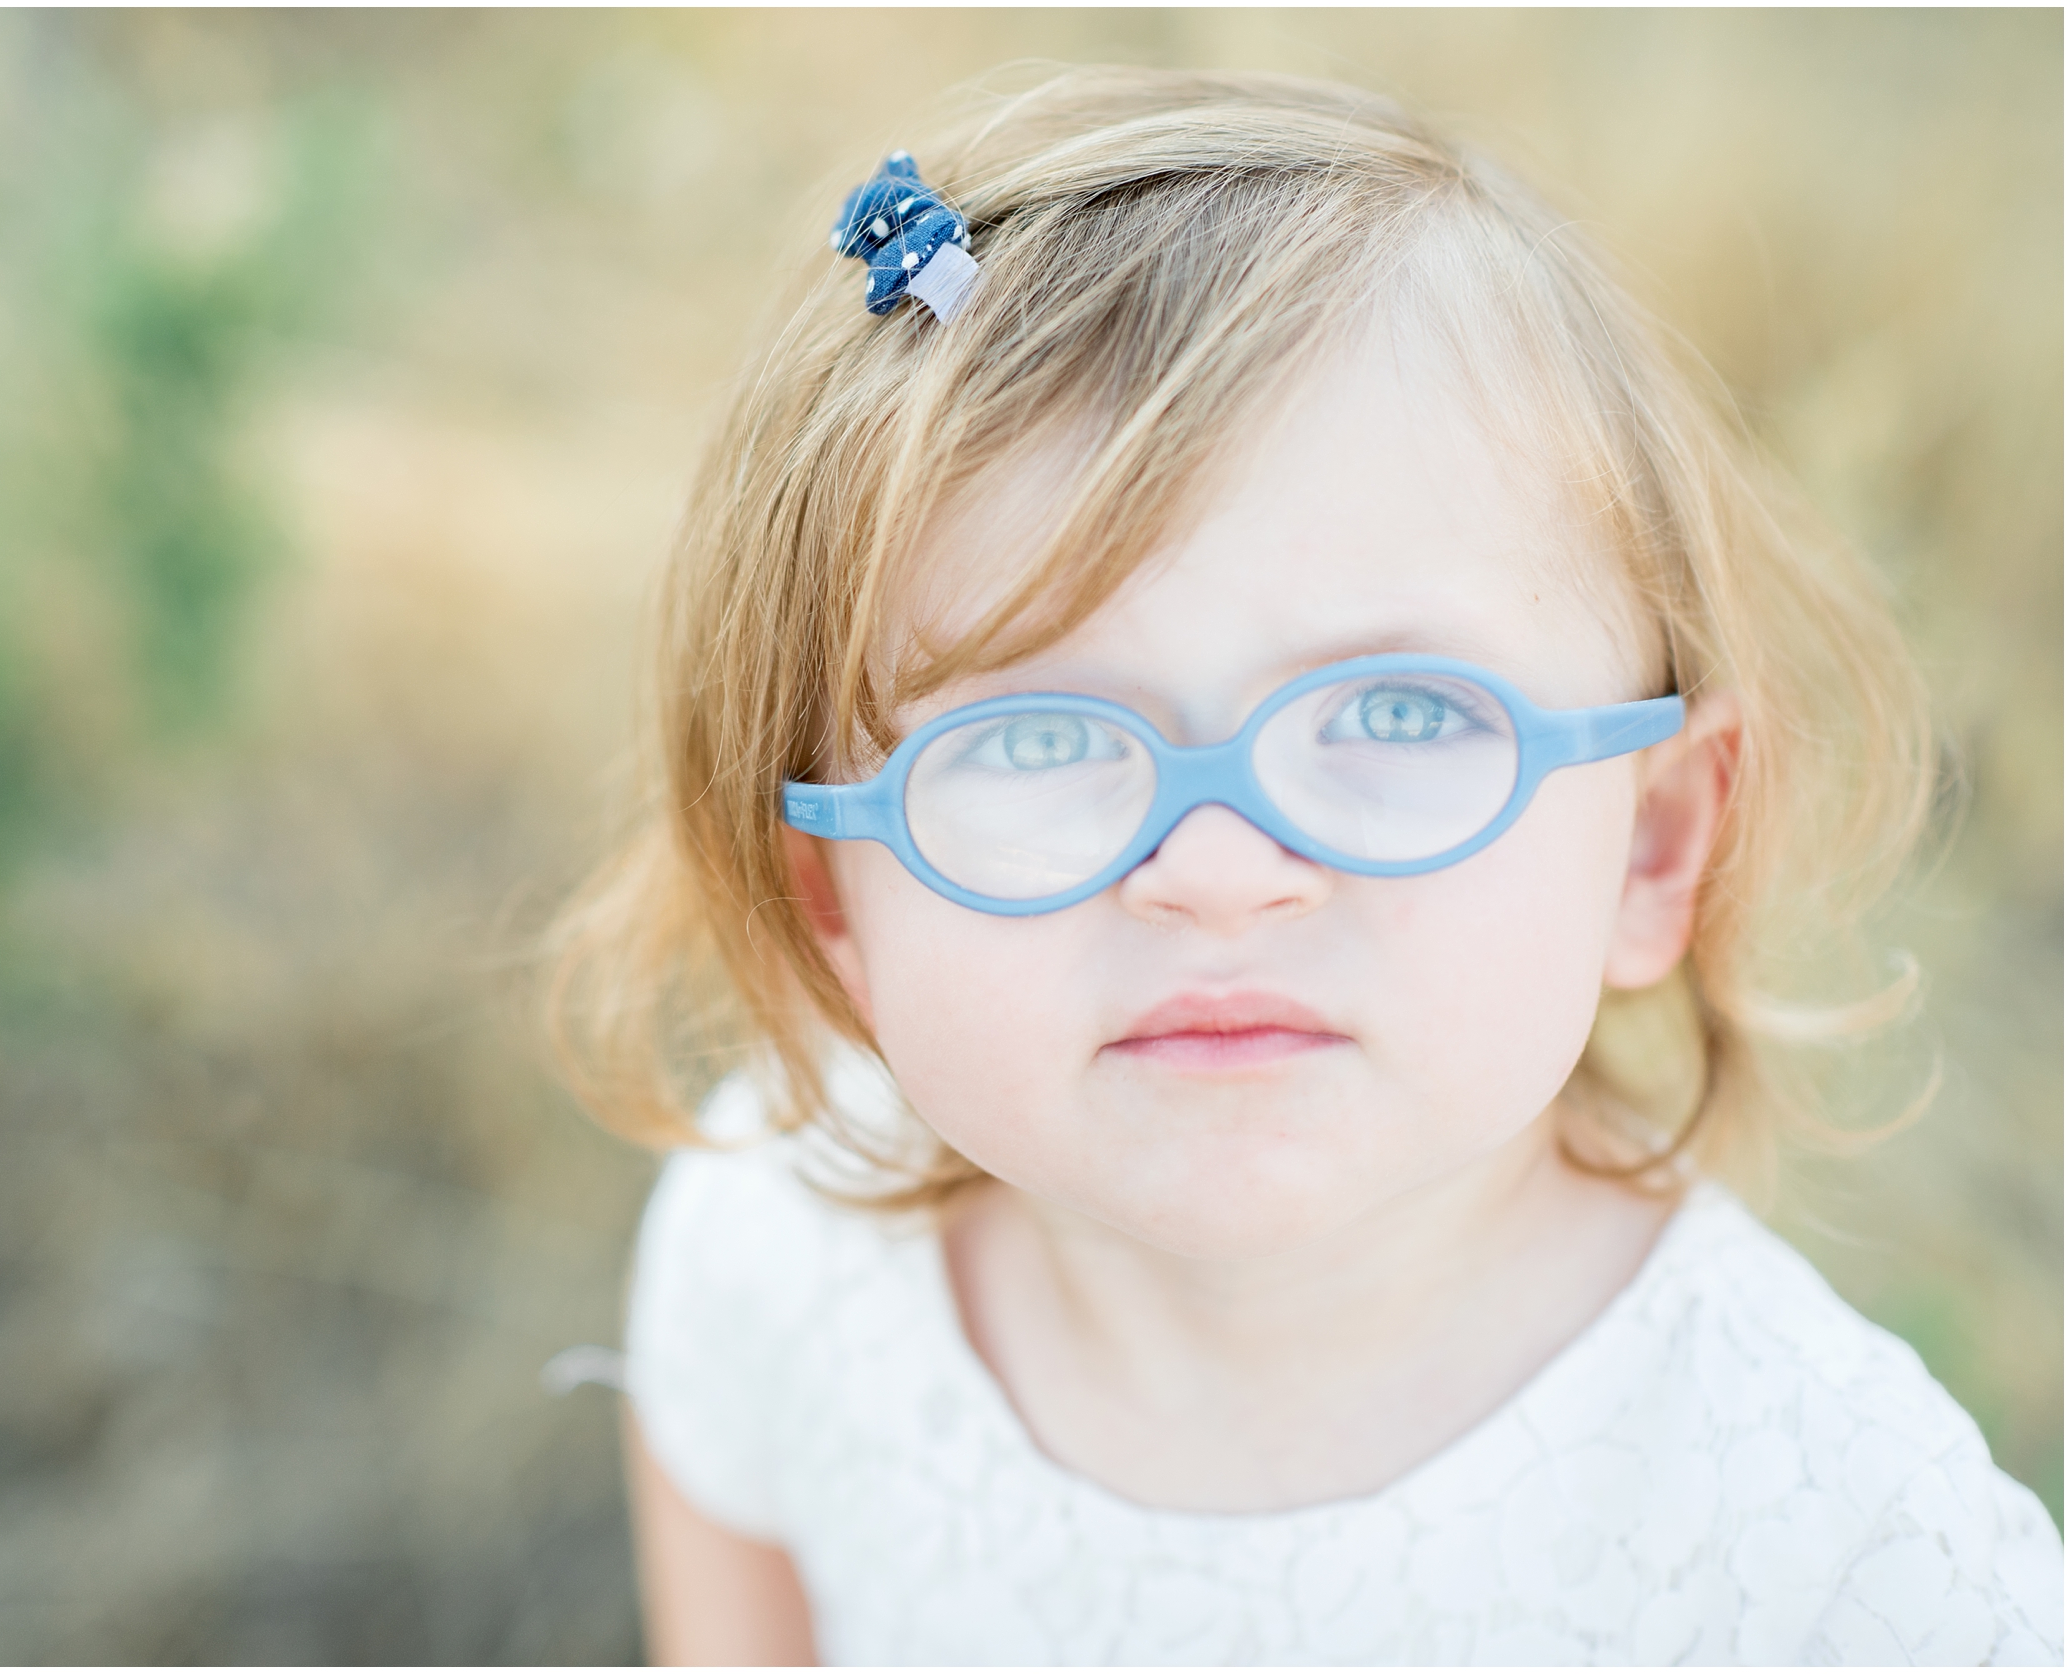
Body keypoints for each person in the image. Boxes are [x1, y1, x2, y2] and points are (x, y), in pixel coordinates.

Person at [547, 67, 2063, 1665]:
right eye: (1041, 741)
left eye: (1400, 710)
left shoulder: (1847, 1559)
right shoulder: (777, 1252)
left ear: (1654, 839)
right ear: (837, 894)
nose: (1215, 871)